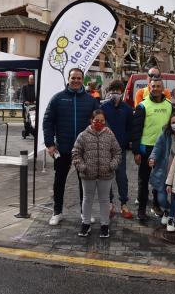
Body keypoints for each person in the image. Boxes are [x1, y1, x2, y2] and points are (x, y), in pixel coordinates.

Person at [43, 68, 99, 225]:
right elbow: (48, 122)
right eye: (73, 78)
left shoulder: (90, 100)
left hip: (84, 149)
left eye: (79, 78)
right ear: (68, 79)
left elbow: (99, 122)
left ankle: (85, 213)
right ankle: (57, 212)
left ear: (83, 80)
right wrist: (50, 144)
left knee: (85, 183)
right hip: (63, 147)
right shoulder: (58, 98)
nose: (76, 80)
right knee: (59, 180)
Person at [72, 109, 121, 238]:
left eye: (102, 121)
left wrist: (112, 165)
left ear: (105, 122)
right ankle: (86, 224)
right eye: (96, 120)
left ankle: (105, 225)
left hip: (106, 174)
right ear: (91, 121)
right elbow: (76, 153)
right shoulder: (83, 135)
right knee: (87, 199)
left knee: (105, 200)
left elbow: (117, 152)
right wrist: (82, 167)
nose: (99, 123)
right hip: (88, 174)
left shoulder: (110, 135)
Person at [131, 77, 173, 221]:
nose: (155, 88)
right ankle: (141, 210)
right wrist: (136, 151)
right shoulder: (142, 106)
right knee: (144, 180)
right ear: (149, 88)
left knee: (159, 179)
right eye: (153, 86)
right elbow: (135, 130)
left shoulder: (169, 105)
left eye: (158, 86)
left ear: (163, 88)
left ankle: (156, 205)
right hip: (146, 148)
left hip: (163, 148)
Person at [149, 112, 175, 231]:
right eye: (173, 122)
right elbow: (157, 148)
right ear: (169, 124)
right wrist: (152, 158)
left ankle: (171, 217)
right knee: (161, 197)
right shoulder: (165, 135)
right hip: (164, 171)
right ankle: (166, 210)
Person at [101, 80, 134, 219]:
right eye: (113, 91)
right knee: (107, 176)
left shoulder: (126, 108)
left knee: (122, 177)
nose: (115, 94)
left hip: (120, 149)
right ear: (109, 92)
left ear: (122, 92)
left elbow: (130, 128)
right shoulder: (103, 107)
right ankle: (109, 204)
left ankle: (124, 204)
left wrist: (125, 142)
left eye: (118, 91)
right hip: (106, 149)